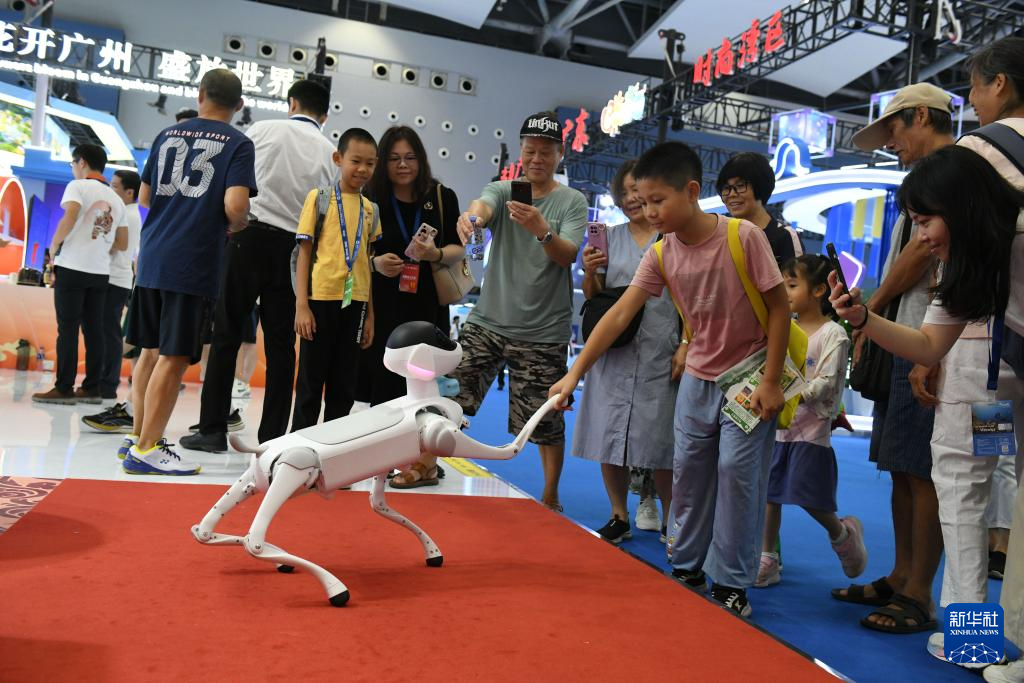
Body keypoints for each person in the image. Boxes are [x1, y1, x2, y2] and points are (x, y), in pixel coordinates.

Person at [550, 141, 790, 616]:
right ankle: (687, 563)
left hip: (747, 380)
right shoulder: (661, 254)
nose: (649, 212)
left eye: (658, 200)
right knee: (689, 475)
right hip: (697, 381)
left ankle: (732, 580)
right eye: (643, 201)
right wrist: (574, 373)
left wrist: (771, 380)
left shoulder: (743, 237)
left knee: (737, 476)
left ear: (692, 191)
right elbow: (619, 314)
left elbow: (780, 308)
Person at [826, 146, 1024, 663]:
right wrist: (863, 317)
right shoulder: (964, 259)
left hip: (992, 382)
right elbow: (929, 344)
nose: (922, 237)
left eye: (925, 220)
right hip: (988, 388)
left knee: (969, 492)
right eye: (915, 222)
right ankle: (974, 641)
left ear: (961, 204)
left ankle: (993, 643)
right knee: (962, 492)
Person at [394, 111, 588, 508]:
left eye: (546, 152)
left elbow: (566, 255)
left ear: (560, 154)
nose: (537, 159)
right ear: (521, 150)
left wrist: (541, 229)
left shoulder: (572, 201)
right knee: (449, 394)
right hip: (487, 322)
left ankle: (550, 495)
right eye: (530, 150)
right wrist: (471, 221)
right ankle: (425, 465)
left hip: (543, 332)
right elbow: (482, 206)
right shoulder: (504, 190)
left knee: (545, 420)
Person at [828, 83, 954, 635]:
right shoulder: (929, 179)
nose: (890, 144)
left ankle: (923, 594)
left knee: (933, 475)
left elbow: (924, 254)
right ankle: (907, 578)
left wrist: (872, 308)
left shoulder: (955, 174)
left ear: (923, 116)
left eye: (895, 130)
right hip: (918, 341)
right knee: (905, 465)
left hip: (938, 343)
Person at [182, 79, 336, 452]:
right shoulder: (331, 152)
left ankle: (212, 429)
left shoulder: (261, 130)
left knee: (226, 335)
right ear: (325, 115)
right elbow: (326, 213)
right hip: (295, 250)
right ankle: (273, 439)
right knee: (282, 347)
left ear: (292, 103)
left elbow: (232, 186)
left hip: (246, 237)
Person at [121, 69, 256, 475]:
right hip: (191, 261)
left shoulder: (166, 135)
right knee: (175, 356)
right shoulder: (238, 143)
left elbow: (145, 196)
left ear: (200, 95)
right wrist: (238, 223)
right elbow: (235, 206)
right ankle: (148, 449)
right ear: (239, 105)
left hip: (153, 256)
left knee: (148, 351)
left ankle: (137, 437)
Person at [572, 159, 677, 544]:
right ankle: (618, 515)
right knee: (609, 434)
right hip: (613, 350)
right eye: (627, 191)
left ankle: (671, 521)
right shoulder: (607, 237)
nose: (633, 198)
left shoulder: (673, 238)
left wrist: (686, 344)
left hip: (660, 348)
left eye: (640, 191)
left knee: (662, 441)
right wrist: (590, 271)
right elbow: (594, 297)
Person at [756, 255, 864, 586]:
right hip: (776, 426)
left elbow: (829, 382)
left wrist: (789, 395)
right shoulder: (781, 327)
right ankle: (767, 558)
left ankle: (842, 534)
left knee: (809, 496)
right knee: (769, 494)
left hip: (811, 430)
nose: (784, 292)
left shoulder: (834, 334)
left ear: (818, 290)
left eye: (792, 285)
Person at [358, 126, 464, 447]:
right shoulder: (371, 198)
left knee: (424, 384)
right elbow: (354, 253)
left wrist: (435, 254)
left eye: (410, 157)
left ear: (421, 160)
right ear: (383, 162)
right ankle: (381, 453)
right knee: (383, 381)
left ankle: (422, 458)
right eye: (394, 158)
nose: (403, 165)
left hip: (427, 305)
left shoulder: (441, 197)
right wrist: (375, 263)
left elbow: (458, 249)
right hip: (382, 304)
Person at [291, 128, 380, 430]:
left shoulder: (371, 210)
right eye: (356, 161)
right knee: (310, 383)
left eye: (370, 163)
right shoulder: (319, 199)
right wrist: (301, 305)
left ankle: (334, 451)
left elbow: (365, 262)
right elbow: (304, 254)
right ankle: (299, 448)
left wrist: (370, 315)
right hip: (320, 300)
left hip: (356, 304)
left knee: (344, 385)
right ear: (338, 159)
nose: (362, 169)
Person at [32, 144, 128, 405]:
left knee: (68, 329)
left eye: (73, 163)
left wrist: (54, 246)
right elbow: (122, 243)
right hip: (100, 272)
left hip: (73, 267)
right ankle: (92, 387)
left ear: (82, 162)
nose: (73, 168)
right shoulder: (117, 200)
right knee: (94, 330)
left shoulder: (78, 186)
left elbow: (70, 216)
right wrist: (98, 245)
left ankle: (64, 388)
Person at [78, 170, 142, 433]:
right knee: (105, 330)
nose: (110, 190)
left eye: (115, 186)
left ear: (129, 192)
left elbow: (118, 245)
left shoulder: (128, 214)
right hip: (113, 276)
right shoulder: (124, 211)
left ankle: (107, 383)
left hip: (116, 278)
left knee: (109, 331)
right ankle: (104, 382)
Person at [716, 152, 803, 268]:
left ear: (761, 186)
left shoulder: (785, 236)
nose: (731, 194)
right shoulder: (719, 236)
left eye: (740, 186)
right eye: (726, 188)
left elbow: (797, 278)